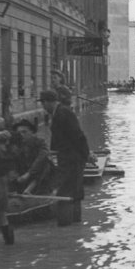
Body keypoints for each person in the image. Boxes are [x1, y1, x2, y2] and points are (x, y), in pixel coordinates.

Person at [38, 90, 90, 225]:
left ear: (48, 102)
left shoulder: (63, 113)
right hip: (68, 156)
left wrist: (86, 154)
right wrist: (54, 150)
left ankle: (65, 225)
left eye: (43, 103)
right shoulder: (58, 113)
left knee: (65, 190)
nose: (43, 107)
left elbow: (78, 135)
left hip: (72, 157)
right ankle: (75, 225)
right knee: (74, 189)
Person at [11, 119, 55, 195]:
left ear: (32, 132)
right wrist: (17, 176)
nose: (21, 135)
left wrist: (29, 173)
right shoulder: (15, 145)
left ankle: (29, 189)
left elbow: (42, 156)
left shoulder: (40, 142)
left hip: (37, 176)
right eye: (19, 133)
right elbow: (12, 162)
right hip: (22, 176)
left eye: (24, 132)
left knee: (46, 162)